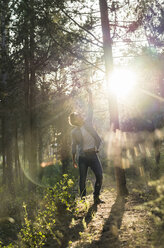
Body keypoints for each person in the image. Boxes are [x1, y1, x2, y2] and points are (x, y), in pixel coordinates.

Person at [68, 89, 103, 204]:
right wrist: (73, 160)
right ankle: (83, 200)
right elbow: (73, 146)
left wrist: (90, 95)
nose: (79, 116)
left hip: (93, 155)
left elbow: (90, 109)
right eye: (77, 116)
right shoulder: (74, 132)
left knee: (99, 175)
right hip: (82, 157)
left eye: (79, 115)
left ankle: (96, 196)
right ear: (74, 120)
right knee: (82, 180)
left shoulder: (88, 122)